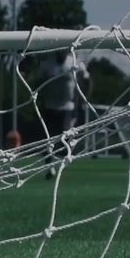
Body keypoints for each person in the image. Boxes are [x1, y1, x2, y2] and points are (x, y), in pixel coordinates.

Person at [36, 49, 90, 178]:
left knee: (64, 137)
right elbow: (39, 83)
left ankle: (60, 164)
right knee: (48, 139)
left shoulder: (75, 63)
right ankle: (49, 166)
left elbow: (87, 80)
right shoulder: (47, 64)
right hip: (50, 106)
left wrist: (83, 99)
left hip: (67, 107)